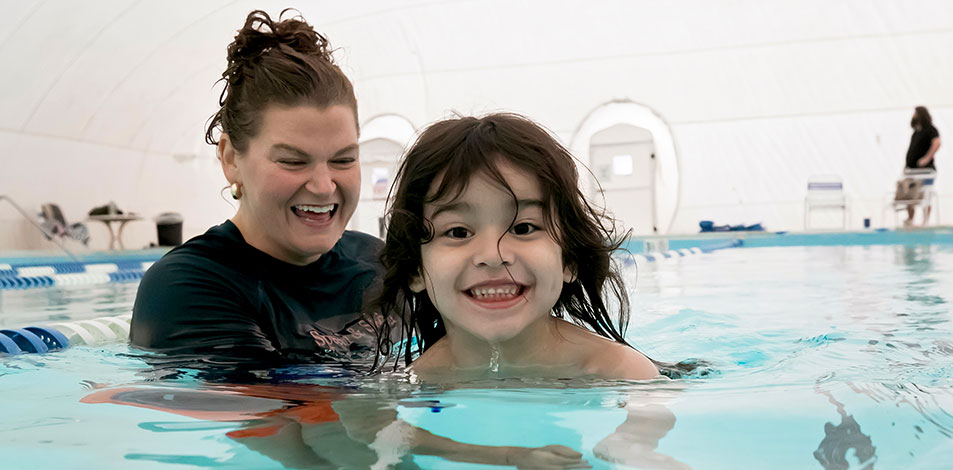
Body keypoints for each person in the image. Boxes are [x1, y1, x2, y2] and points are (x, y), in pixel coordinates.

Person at [130, 10, 382, 367]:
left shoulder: (378, 264)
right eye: (293, 161)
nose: (325, 186)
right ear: (231, 158)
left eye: (343, 160)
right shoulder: (187, 287)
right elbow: (280, 417)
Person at [373, 113, 659, 381]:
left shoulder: (621, 373)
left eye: (523, 228)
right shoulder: (415, 383)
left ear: (569, 258)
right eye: (458, 232)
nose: (493, 256)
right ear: (415, 269)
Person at [902, 105, 941, 227]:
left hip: (925, 171)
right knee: (909, 196)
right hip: (912, 171)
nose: (913, 116)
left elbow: (937, 143)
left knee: (926, 195)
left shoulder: (931, 130)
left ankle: (925, 222)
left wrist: (927, 158)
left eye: (915, 113)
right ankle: (910, 220)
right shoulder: (916, 132)